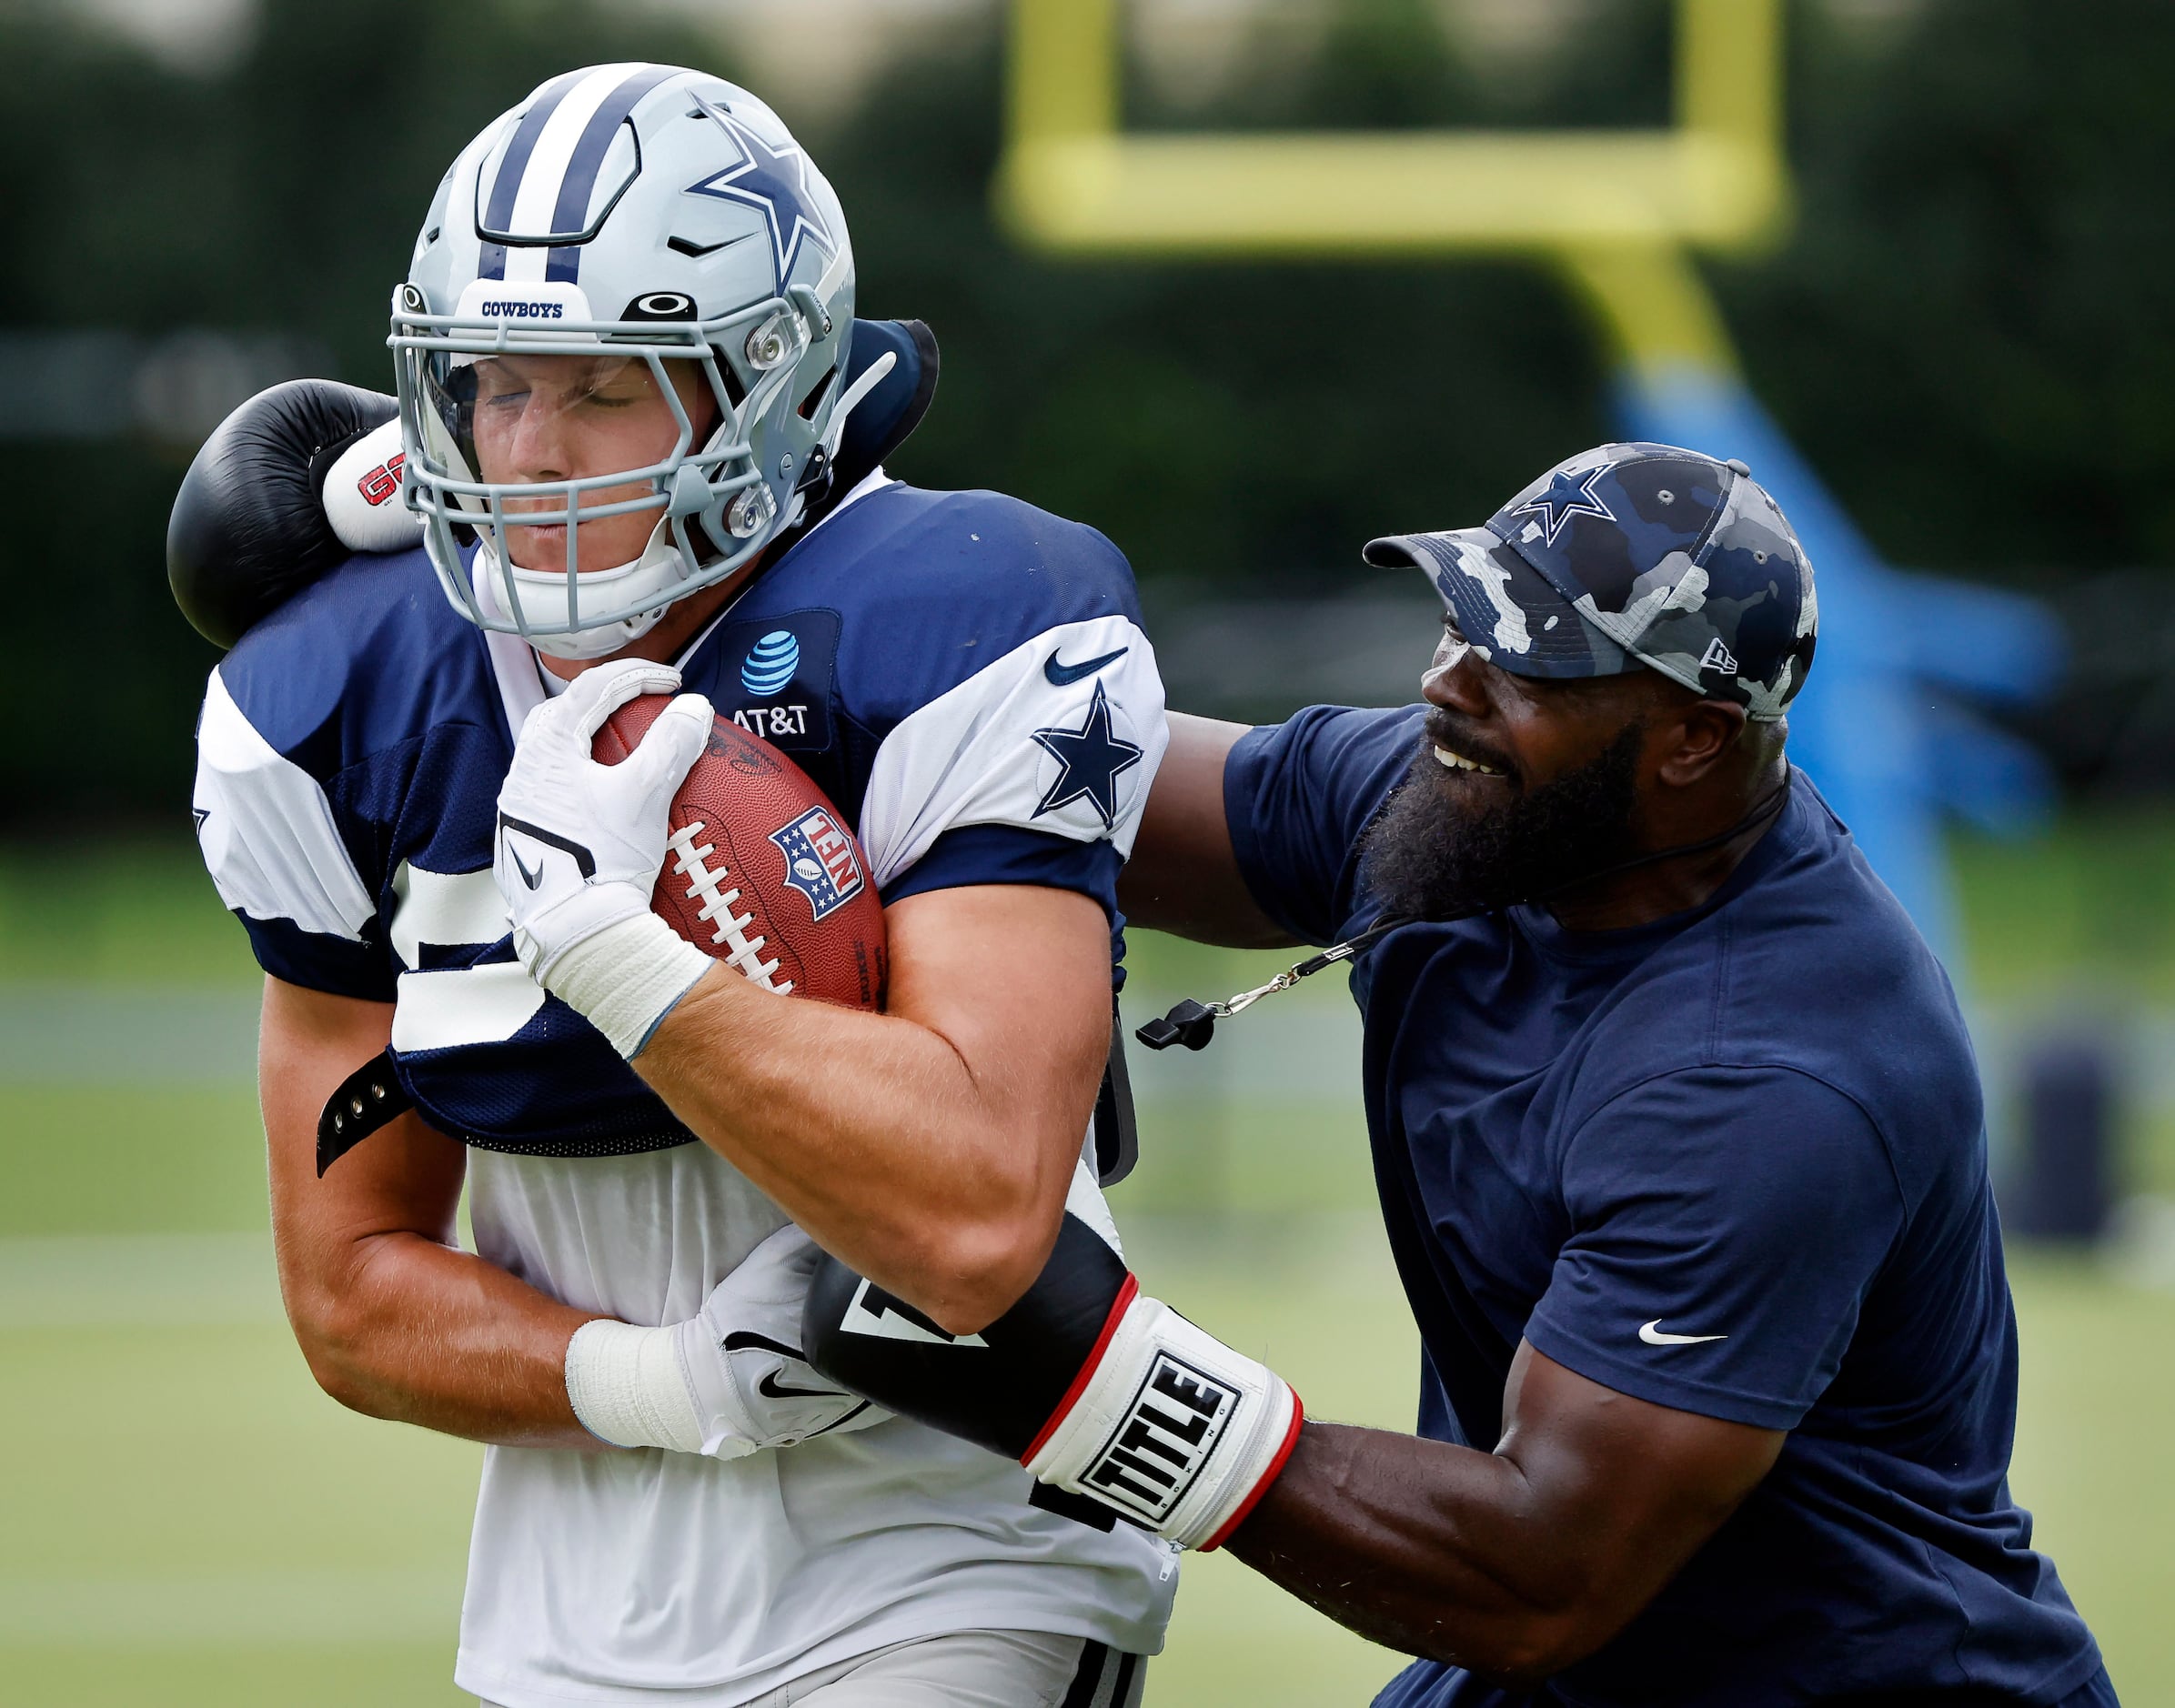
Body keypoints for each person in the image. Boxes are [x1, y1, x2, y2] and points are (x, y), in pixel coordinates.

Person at [801, 444, 2118, 1706]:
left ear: (1695, 739)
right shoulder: (1471, 809)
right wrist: (737, 743)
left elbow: (1543, 1574)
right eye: (1460, 623)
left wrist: (1096, 1382)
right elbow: (1044, 790)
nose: (1448, 682)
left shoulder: (1765, 1079)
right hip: (1565, 1673)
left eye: (1525, 661)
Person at [188, 63, 1168, 1708]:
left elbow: (982, 1201)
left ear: (757, 390)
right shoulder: (348, 695)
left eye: (599, 391)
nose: (529, 450)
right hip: (566, 1606)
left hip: (949, 1547)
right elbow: (349, 1287)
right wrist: (665, 1380)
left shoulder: (961, 613)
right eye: (492, 386)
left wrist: (608, 949)